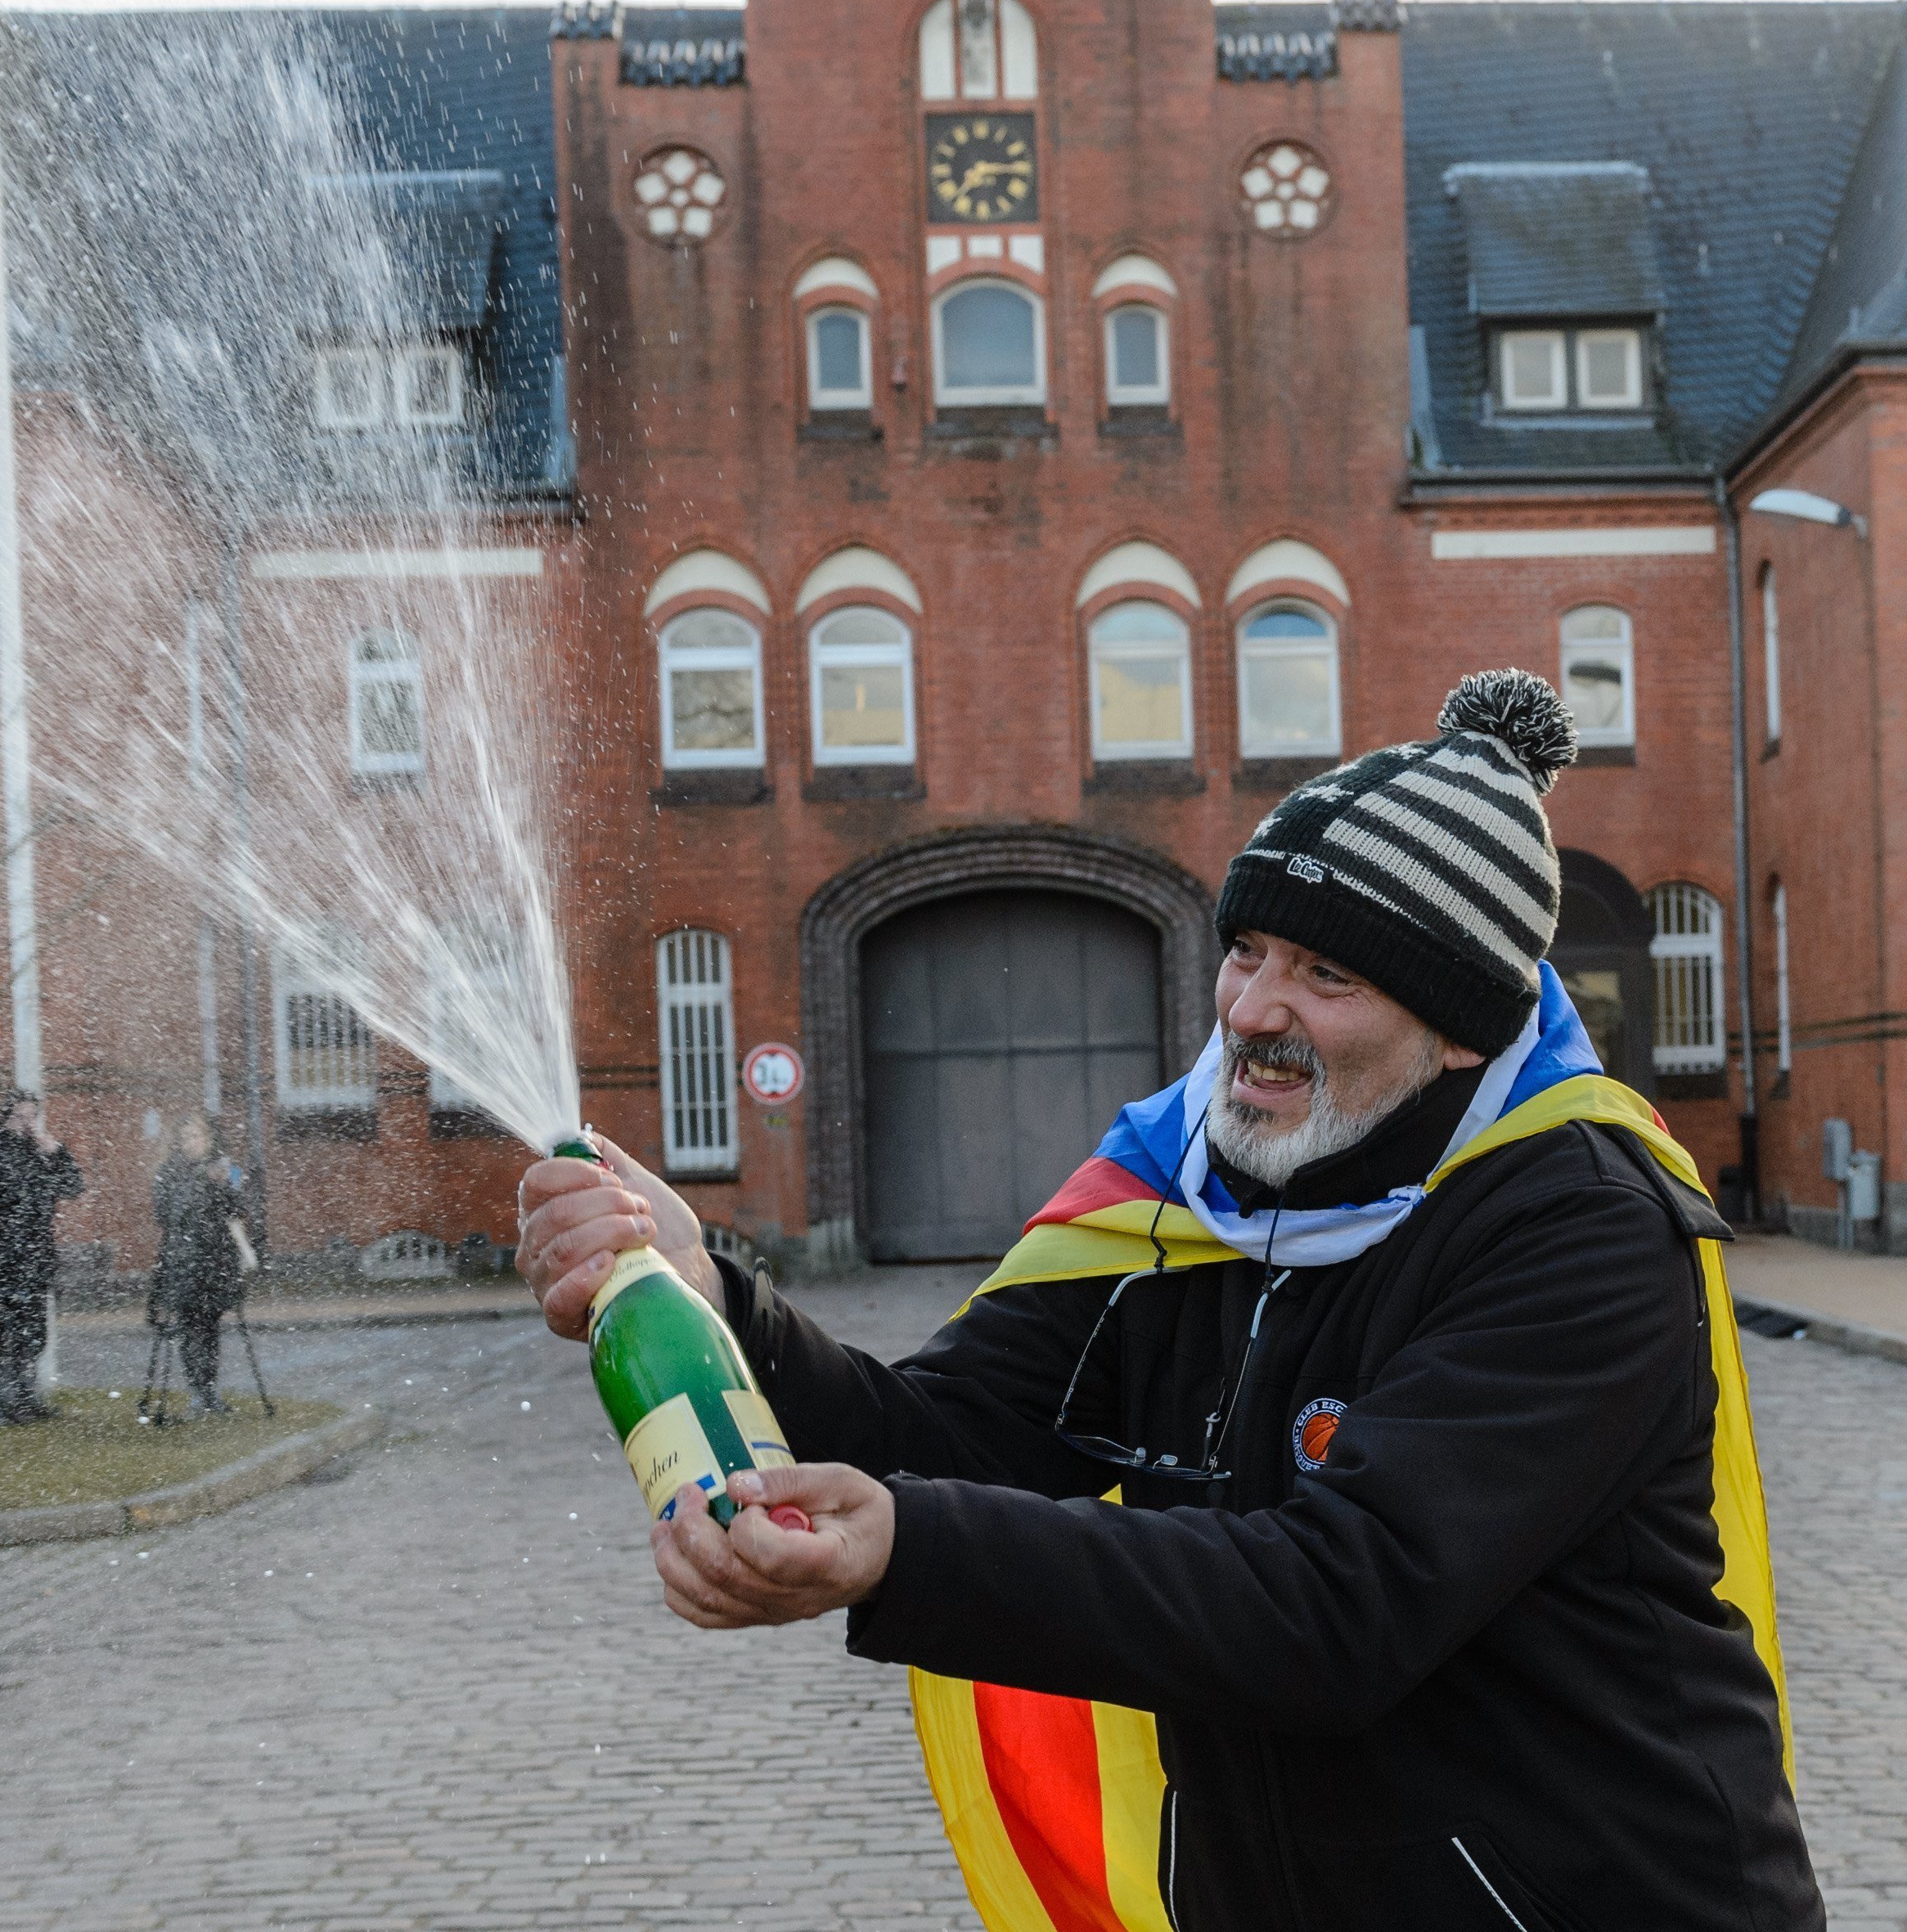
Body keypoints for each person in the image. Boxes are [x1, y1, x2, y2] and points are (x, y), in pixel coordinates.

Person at [519, 671, 1821, 1930]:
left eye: (1326, 975)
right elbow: (947, 1436)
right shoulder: (1182, 1195)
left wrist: (906, 1546)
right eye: (1247, 949)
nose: (1252, 1009)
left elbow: (1340, 1602)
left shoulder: (1580, 1225)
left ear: (1462, 1028)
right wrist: (710, 1296)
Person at [0, 1094, 83, 1424]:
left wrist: (58, 1152)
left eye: (33, 1117)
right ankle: (4, 1405)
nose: (28, 1124)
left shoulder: (38, 1155)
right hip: (2, 1262)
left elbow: (73, 1186)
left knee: (31, 1335)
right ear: (6, 1119)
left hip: (34, 1259)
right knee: (3, 1336)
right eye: (21, 1117)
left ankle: (26, 1399)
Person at [151, 1112, 255, 1415]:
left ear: (209, 1139)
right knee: (189, 1326)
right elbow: (164, 1214)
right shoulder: (169, 1172)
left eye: (196, 1137)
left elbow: (240, 1208)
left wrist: (222, 1186)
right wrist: (200, 1183)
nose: (190, 1143)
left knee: (210, 1326)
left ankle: (209, 1391)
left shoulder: (228, 1168)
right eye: (185, 1138)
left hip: (217, 1259)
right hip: (183, 1260)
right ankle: (198, 1391)